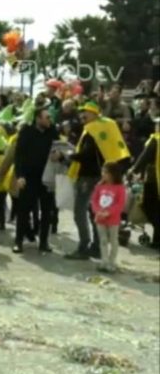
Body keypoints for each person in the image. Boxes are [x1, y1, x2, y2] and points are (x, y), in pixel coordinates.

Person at [62, 101, 131, 260]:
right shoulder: (105, 127)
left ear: (94, 114)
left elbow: (86, 155)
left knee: (80, 212)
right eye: (81, 112)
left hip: (87, 177)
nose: (82, 115)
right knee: (94, 211)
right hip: (100, 176)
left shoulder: (93, 130)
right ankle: (96, 247)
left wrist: (67, 156)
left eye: (85, 112)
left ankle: (84, 246)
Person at [12, 107, 57, 254]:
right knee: (23, 210)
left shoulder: (53, 132)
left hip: (47, 177)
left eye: (49, 117)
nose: (49, 120)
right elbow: (18, 155)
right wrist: (19, 176)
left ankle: (44, 242)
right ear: (38, 118)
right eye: (46, 117)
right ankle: (19, 241)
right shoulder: (26, 131)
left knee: (46, 212)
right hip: (29, 177)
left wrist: (60, 157)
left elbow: (60, 149)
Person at [90, 162, 126, 273]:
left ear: (113, 174)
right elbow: (94, 200)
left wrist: (109, 212)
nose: (103, 174)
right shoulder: (99, 186)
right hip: (100, 218)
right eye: (103, 171)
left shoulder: (120, 188)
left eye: (106, 172)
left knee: (113, 240)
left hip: (113, 219)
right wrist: (97, 211)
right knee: (103, 240)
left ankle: (112, 261)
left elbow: (120, 204)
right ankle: (104, 261)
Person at [129, 121, 160, 249]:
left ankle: (158, 235)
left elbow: (145, 157)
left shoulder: (155, 139)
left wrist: (133, 170)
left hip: (154, 178)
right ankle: (157, 239)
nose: (156, 126)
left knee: (147, 205)